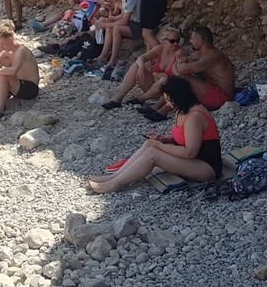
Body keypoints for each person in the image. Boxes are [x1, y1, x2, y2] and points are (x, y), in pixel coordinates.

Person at [88, 76, 222, 194]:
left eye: (169, 100)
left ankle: (115, 184)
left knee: (153, 153)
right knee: (149, 144)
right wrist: (165, 140)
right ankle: (114, 177)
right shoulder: (181, 111)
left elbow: (189, 152)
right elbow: (184, 140)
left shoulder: (195, 116)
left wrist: (159, 145)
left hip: (206, 168)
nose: (167, 103)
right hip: (193, 161)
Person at [101, 26, 184, 110]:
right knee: (136, 66)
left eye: (177, 41)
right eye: (172, 41)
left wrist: (156, 74)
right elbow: (141, 58)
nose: (176, 44)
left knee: (164, 80)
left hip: (164, 93)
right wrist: (141, 67)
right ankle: (117, 99)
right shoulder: (160, 49)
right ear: (163, 41)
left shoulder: (179, 53)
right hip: (151, 87)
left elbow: (175, 78)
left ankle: (141, 99)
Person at [0, 22, 40, 119]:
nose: (1, 47)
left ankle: (0, 110)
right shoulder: (8, 50)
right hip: (18, 84)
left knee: (3, 74)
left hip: (29, 88)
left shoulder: (21, 51)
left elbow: (13, 71)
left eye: (2, 44)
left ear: (10, 40)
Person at [174, 26, 234, 110]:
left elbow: (181, 69)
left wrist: (180, 63)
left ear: (200, 40)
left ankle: (162, 110)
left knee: (181, 78)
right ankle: (158, 108)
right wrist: (180, 64)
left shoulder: (212, 57)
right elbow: (182, 64)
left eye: (192, 38)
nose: (190, 41)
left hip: (222, 97)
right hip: (213, 91)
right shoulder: (201, 53)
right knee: (175, 78)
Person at [93, 0, 143, 76]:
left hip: (141, 24)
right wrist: (109, 20)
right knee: (110, 24)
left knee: (116, 29)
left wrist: (104, 24)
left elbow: (124, 21)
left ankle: (112, 60)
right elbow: (122, 15)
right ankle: (103, 55)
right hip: (134, 22)